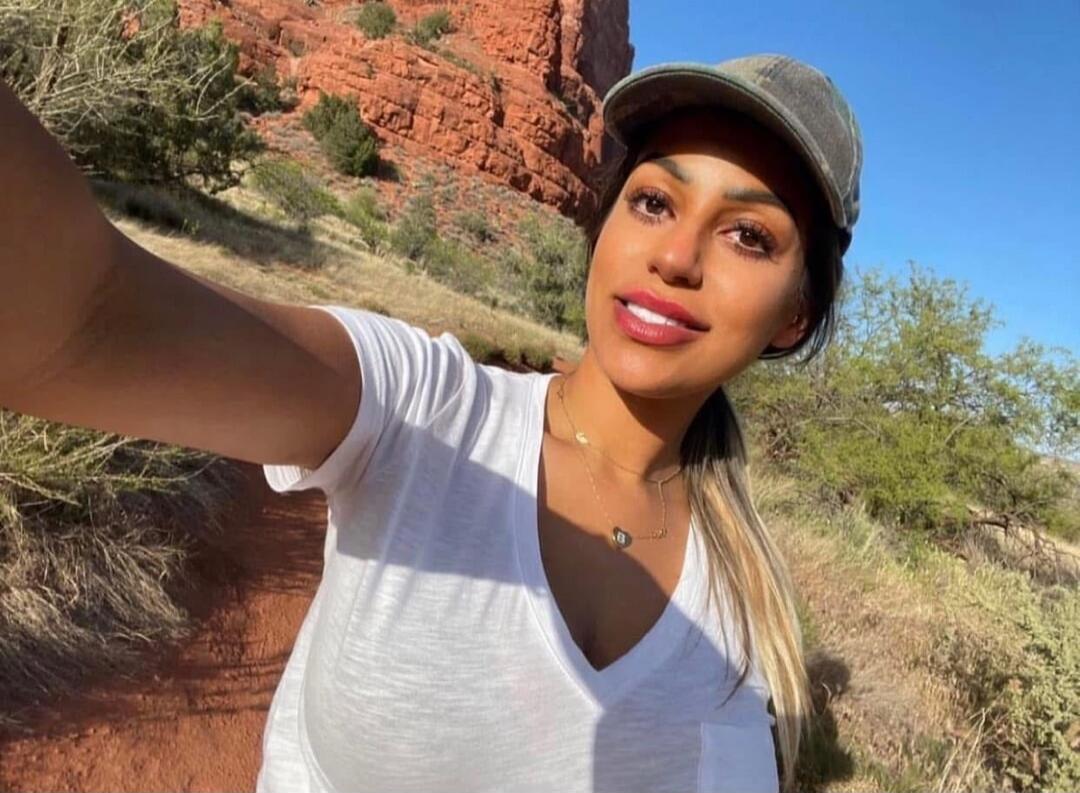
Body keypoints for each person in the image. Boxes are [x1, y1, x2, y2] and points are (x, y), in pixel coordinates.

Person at [0, 52, 861, 793]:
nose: (675, 257)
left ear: (795, 314)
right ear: (603, 226)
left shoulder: (750, 607)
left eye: (748, 236)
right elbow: (83, 321)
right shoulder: (426, 408)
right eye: (654, 202)